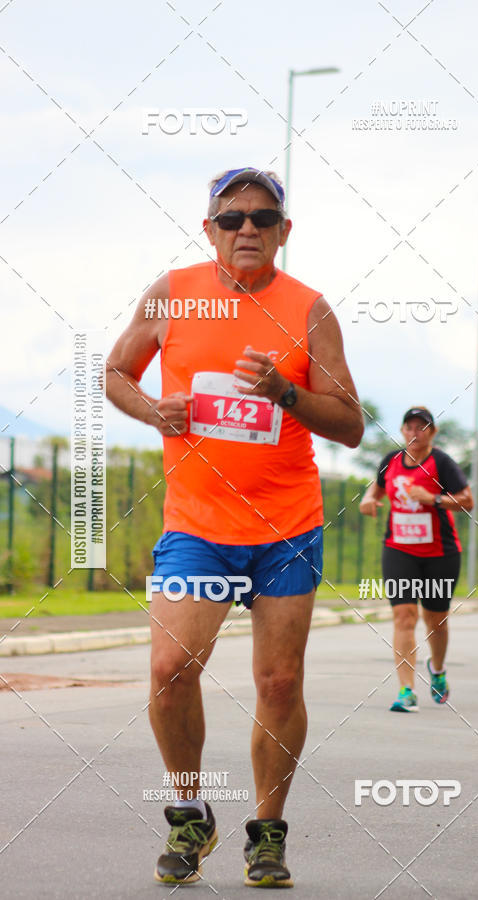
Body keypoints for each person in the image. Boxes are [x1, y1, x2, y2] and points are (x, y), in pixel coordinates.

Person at [105, 167, 363, 888]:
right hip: (198, 526)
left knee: (279, 683)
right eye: (231, 218)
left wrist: (286, 392)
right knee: (168, 670)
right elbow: (116, 373)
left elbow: (349, 423)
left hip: (287, 527)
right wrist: (157, 409)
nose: (246, 228)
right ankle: (188, 813)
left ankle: (268, 834)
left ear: (284, 230)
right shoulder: (172, 292)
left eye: (262, 216)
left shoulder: (309, 311)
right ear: (209, 228)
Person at [359, 407, 472, 712]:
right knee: (404, 616)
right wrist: (369, 500)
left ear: (432, 432)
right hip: (399, 549)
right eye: (409, 427)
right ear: (402, 431)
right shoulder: (391, 461)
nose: (414, 433)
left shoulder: (442, 463)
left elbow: (467, 500)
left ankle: (437, 669)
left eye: (421, 427)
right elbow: (378, 488)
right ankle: (406, 690)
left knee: (435, 619)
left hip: (440, 552)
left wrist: (433, 498)